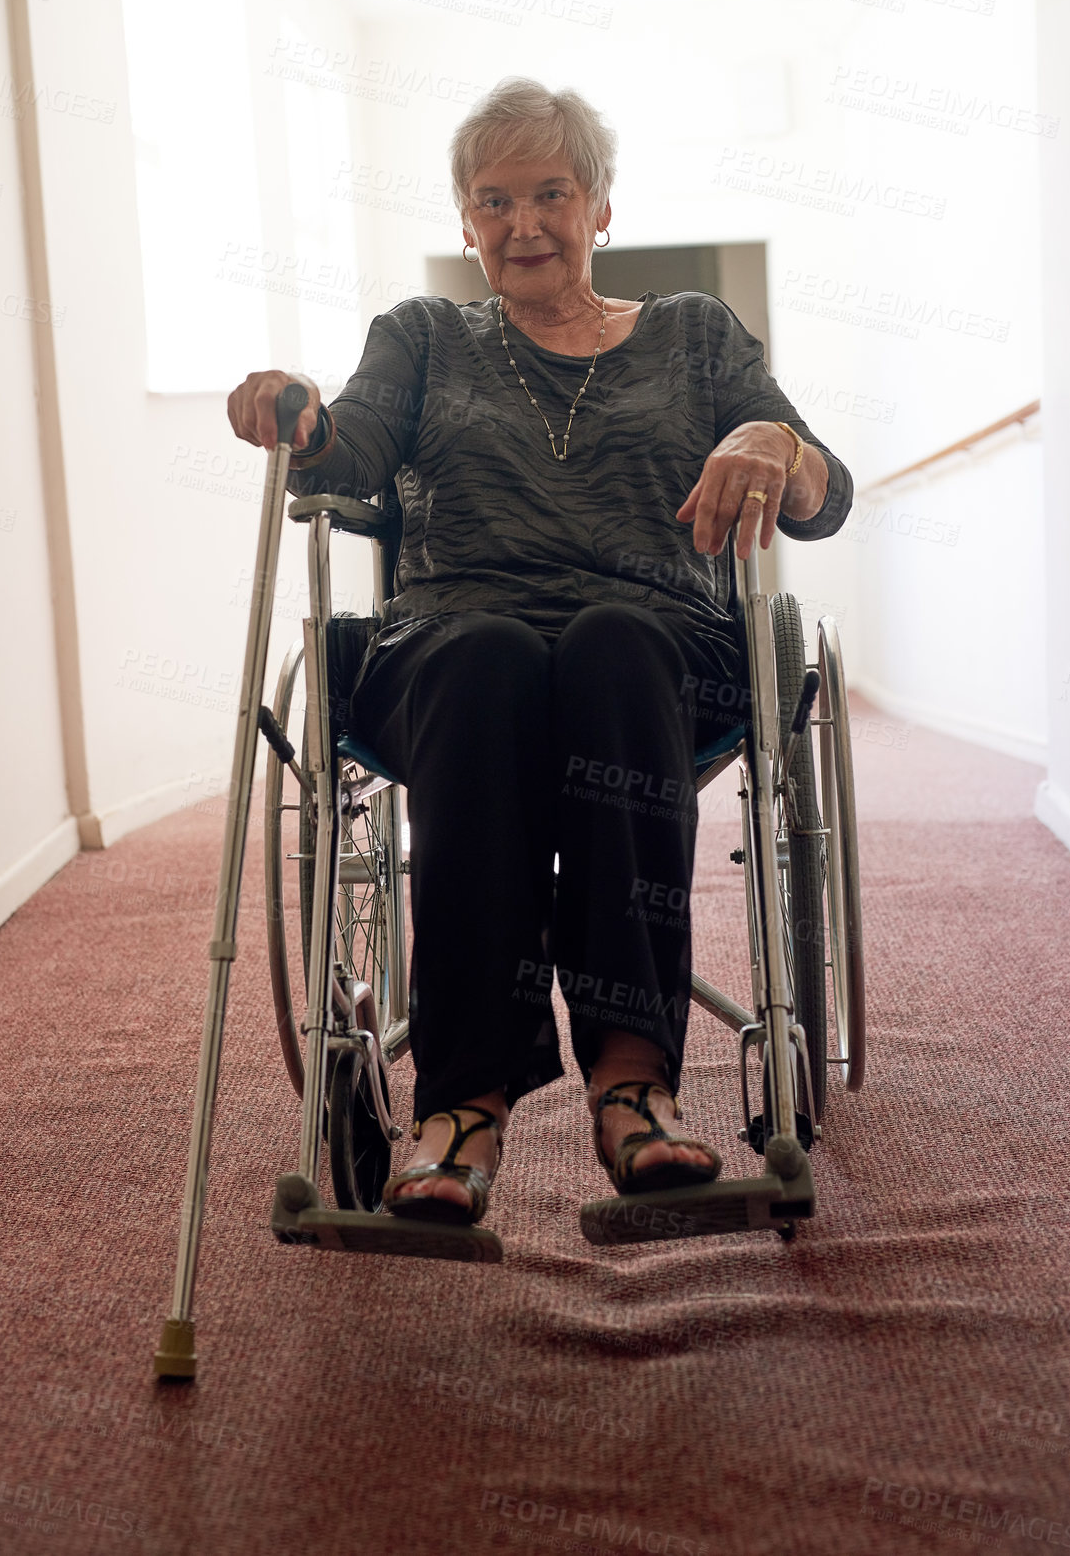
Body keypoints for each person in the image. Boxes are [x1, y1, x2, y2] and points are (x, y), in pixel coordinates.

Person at [226, 77, 852, 1229]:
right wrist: (301, 413)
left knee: (614, 645)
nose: (524, 224)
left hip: (656, 645)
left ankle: (634, 1084)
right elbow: (346, 451)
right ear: (466, 225)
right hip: (452, 646)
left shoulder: (695, 336)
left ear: (601, 206)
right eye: (494, 200)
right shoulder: (420, 338)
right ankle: (461, 1102)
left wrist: (776, 441)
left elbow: (821, 495)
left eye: (552, 193)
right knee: (489, 661)